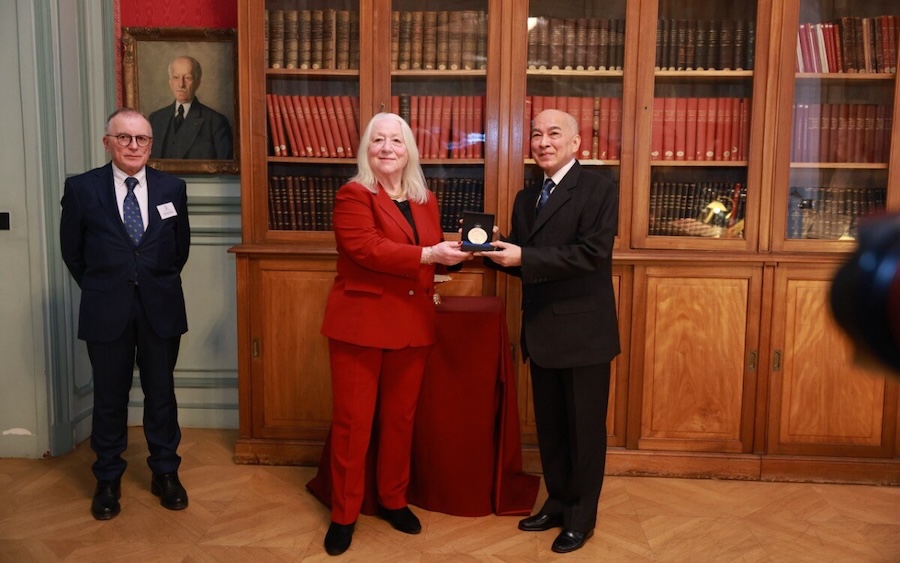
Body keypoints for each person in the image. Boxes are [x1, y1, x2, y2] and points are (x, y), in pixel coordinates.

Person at [319, 112, 472, 556]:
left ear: (410, 151)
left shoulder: (425, 198)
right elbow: (366, 248)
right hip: (360, 327)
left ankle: (392, 499)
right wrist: (429, 253)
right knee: (353, 424)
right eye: (378, 140)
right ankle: (344, 515)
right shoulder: (353, 194)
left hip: (413, 324)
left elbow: (429, 255)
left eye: (396, 141)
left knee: (400, 421)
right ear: (367, 149)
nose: (387, 148)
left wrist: (463, 249)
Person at [477, 108, 620, 553]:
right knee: (553, 430)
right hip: (541, 333)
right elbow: (529, 267)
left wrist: (525, 258)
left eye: (554, 133)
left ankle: (582, 518)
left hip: (584, 335)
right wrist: (494, 252)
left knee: (584, 431)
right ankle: (557, 503)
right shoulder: (527, 197)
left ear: (576, 142)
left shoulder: (599, 188)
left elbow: (590, 255)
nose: (543, 142)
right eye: (536, 134)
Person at [60, 108, 191, 520]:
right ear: (108, 142)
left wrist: (151, 281)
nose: (134, 146)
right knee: (109, 397)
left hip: (161, 308)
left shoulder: (173, 188)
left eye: (142, 139)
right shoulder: (82, 189)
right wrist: (107, 286)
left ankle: (165, 473)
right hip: (106, 309)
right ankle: (108, 478)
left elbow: (179, 249)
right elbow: (72, 253)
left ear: (151, 144)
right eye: (125, 138)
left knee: (161, 395)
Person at [148, 55, 233, 160]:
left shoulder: (216, 122)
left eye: (188, 78)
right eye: (176, 77)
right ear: (170, 83)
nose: (181, 84)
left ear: (197, 83)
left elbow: (225, 171)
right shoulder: (155, 119)